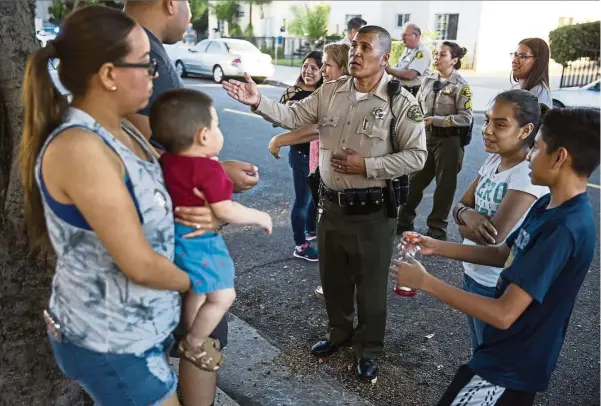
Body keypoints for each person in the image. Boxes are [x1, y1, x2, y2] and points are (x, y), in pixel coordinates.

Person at [224, 25, 427, 381]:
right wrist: (258, 101)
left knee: (371, 287)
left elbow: (417, 157)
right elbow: (294, 116)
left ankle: (368, 349)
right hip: (330, 206)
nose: (356, 53)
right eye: (353, 46)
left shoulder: (400, 102)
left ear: (385, 57)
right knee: (333, 279)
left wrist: (367, 165)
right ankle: (339, 334)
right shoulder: (331, 91)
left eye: (365, 47)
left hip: (374, 212)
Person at [20, 6, 190, 405]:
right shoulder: (80, 147)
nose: (153, 73)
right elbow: (139, 264)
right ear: (109, 75)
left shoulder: (125, 128)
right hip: (112, 343)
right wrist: (205, 280)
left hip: (137, 328)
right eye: (145, 64)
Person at [392, 107, 600, 405]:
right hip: (503, 355)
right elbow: (503, 254)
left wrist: (426, 283)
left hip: (509, 367)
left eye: (537, 147)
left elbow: (504, 314)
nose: (529, 156)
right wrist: (435, 246)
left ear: (559, 156)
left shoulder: (564, 228)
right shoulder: (549, 206)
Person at [123, 2, 260, 404]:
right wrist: (216, 176)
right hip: (172, 228)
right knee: (204, 327)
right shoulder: (138, 49)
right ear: (171, 3)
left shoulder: (120, 39)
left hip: (159, 225)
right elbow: (151, 148)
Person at [150, 88, 272, 371]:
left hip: (176, 238)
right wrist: (260, 216)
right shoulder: (209, 171)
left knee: (199, 289)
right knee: (224, 295)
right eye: (216, 125)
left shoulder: (168, 160)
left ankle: (193, 334)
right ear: (203, 136)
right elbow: (225, 211)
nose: (219, 131)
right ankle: (193, 342)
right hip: (201, 242)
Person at [451, 90, 549, 354]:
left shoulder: (526, 175)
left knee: (492, 359)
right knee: (479, 351)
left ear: (525, 130)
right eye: (488, 121)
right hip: (473, 274)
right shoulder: (494, 160)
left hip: (497, 286)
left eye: (500, 124)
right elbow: (459, 207)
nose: (487, 130)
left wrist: (463, 220)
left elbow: (493, 239)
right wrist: (467, 215)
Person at [267, 43, 350, 295]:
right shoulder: (321, 93)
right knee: (318, 211)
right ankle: (329, 273)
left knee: (339, 226)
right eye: (313, 65)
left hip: (342, 172)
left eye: (326, 65)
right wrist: (258, 102)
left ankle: (342, 281)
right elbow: (289, 117)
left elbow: (317, 127)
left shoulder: (341, 93)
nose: (319, 70)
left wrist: (279, 140)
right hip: (314, 162)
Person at [397, 41, 473, 240]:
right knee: (414, 181)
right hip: (426, 138)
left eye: (442, 55)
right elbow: (417, 106)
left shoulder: (462, 86)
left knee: (444, 187)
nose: (437, 58)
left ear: (454, 60)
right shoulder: (428, 80)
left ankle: (437, 228)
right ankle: (403, 221)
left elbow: (466, 118)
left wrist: (437, 121)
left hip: (449, 142)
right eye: (436, 54)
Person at [273, 51, 323, 262]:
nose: (308, 71)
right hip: (301, 154)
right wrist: (291, 114)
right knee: (302, 201)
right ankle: (300, 245)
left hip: (321, 155)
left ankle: (311, 231)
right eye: (305, 66)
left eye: (314, 68)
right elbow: (277, 119)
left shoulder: (325, 93)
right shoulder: (292, 93)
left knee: (315, 198)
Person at [386, 23, 432, 96]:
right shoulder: (408, 50)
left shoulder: (422, 52)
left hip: (413, 93)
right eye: (402, 35)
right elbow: (400, 69)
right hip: (402, 92)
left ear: (415, 35)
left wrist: (389, 70)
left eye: (404, 35)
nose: (401, 38)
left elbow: (410, 75)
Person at [511, 38, 553, 106]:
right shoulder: (517, 88)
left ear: (538, 62)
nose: (515, 61)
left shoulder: (537, 94)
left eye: (523, 56)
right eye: (515, 55)